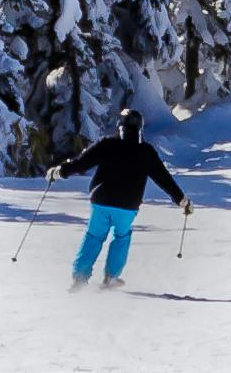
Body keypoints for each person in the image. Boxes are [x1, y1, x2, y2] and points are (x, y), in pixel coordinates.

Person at [59, 108, 189, 287]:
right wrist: (181, 199)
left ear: (120, 126)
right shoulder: (146, 152)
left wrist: (61, 171)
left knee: (94, 236)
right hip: (128, 205)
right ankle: (111, 277)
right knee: (121, 236)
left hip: (101, 200)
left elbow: (82, 164)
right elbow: (163, 178)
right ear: (140, 129)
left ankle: (80, 278)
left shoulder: (107, 144)